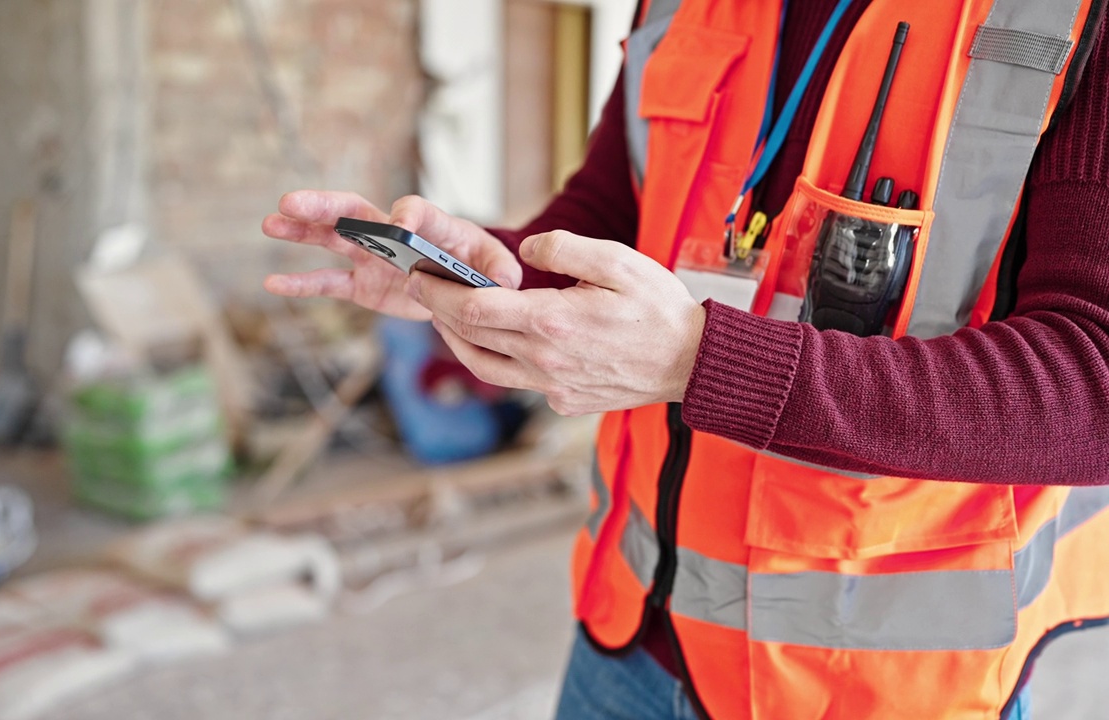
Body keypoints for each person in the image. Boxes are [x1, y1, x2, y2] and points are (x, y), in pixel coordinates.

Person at [264, 0, 1109, 717]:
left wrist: (704, 363)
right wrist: (485, 266)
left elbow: (1090, 378)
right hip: (631, 634)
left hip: (872, 681)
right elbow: (615, 211)